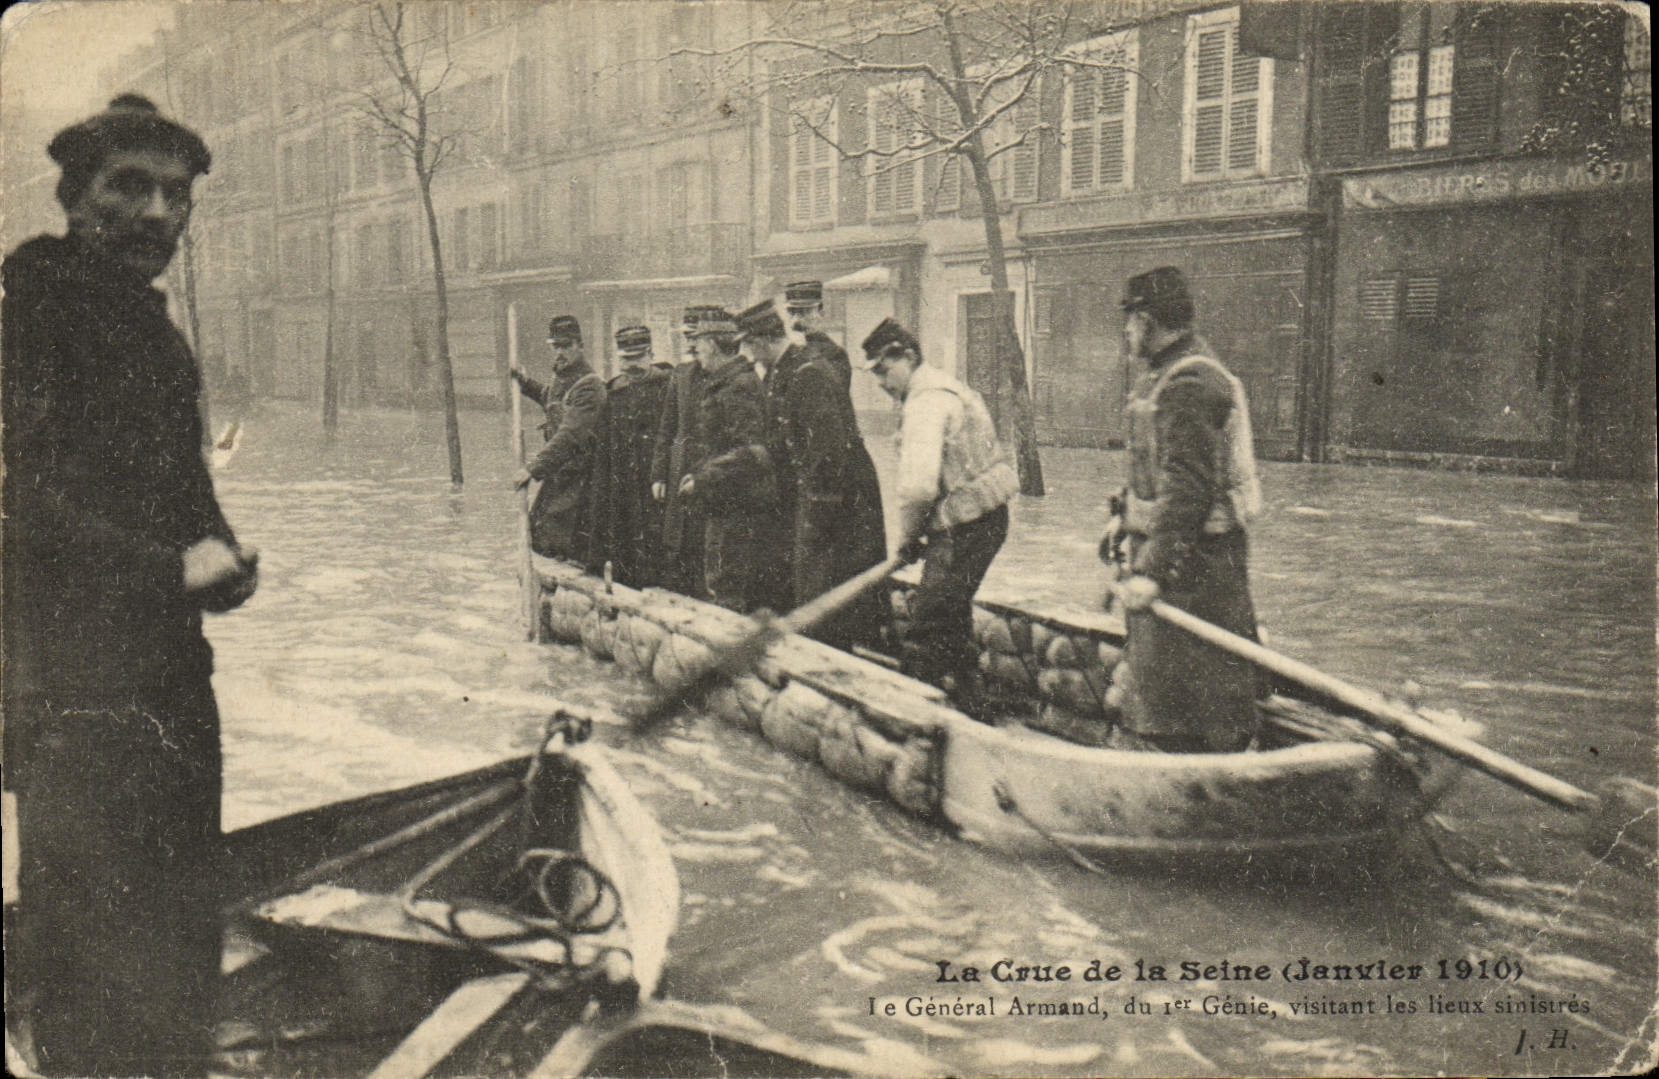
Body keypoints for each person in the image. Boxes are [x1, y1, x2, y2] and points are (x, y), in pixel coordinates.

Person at [1, 94, 260, 1078]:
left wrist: (224, 558)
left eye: (177, 193)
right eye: (130, 186)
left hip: (169, 687)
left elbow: (190, 498)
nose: (157, 212)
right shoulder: (30, 304)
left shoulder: (159, 337)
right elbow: (15, 509)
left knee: (182, 937)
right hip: (66, 687)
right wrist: (168, 569)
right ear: (74, 197)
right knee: (85, 961)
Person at [1110, 266, 1263, 753]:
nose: (1126, 331)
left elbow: (1189, 489)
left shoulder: (1191, 383)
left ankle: (1200, 771)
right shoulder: (1165, 375)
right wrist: (1121, 519)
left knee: (1194, 689)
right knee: (1177, 680)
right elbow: (1155, 472)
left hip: (1197, 562)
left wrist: (1153, 570)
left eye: (1130, 320)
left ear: (1150, 321)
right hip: (1181, 550)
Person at [860, 318, 1018, 717]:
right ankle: (971, 703)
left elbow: (917, 488)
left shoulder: (926, 402)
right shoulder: (941, 387)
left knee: (928, 623)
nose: (881, 381)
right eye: (875, 372)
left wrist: (907, 539)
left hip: (965, 524)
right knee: (951, 611)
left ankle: (912, 720)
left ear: (908, 357)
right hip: (981, 519)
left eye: (885, 369)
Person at [739, 298, 889, 651]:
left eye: (751, 347)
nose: (751, 357)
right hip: (820, 492)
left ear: (763, 340)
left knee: (829, 587)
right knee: (814, 584)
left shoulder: (808, 374)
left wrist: (815, 517)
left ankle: (837, 660)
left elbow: (827, 453)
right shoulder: (784, 371)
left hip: (839, 498)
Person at [677, 306, 787, 613]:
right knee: (721, 582)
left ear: (712, 345)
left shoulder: (738, 385)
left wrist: (704, 477)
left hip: (738, 508)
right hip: (725, 503)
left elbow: (753, 452)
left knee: (728, 588)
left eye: (698, 346)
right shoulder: (728, 381)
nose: (695, 353)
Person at [512, 314, 606, 560]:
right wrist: (524, 384)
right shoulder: (561, 378)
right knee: (539, 532)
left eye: (566, 346)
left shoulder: (590, 386)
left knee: (559, 537)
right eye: (556, 347)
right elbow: (551, 399)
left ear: (580, 346)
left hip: (581, 478)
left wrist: (533, 468)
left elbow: (570, 435)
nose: (560, 352)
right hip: (559, 475)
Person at [585, 325, 671, 587]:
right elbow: (604, 452)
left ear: (651, 354)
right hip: (624, 487)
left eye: (637, 358)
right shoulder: (615, 392)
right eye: (625, 359)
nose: (631, 366)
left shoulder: (669, 388)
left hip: (658, 484)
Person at [650, 312, 710, 597]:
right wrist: (659, 474)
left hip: (709, 469)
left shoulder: (722, 376)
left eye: (695, 336)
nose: (691, 343)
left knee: (706, 541)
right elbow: (666, 427)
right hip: (678, 467)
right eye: (687, 337)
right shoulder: (681, 374)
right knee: (677, 539)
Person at [783, 279, 852, 388]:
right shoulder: (785, 352)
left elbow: (836, 392)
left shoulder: (835, 353)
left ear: (821, 314)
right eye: (792, 313)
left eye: (805, 311)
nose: (796, 320)